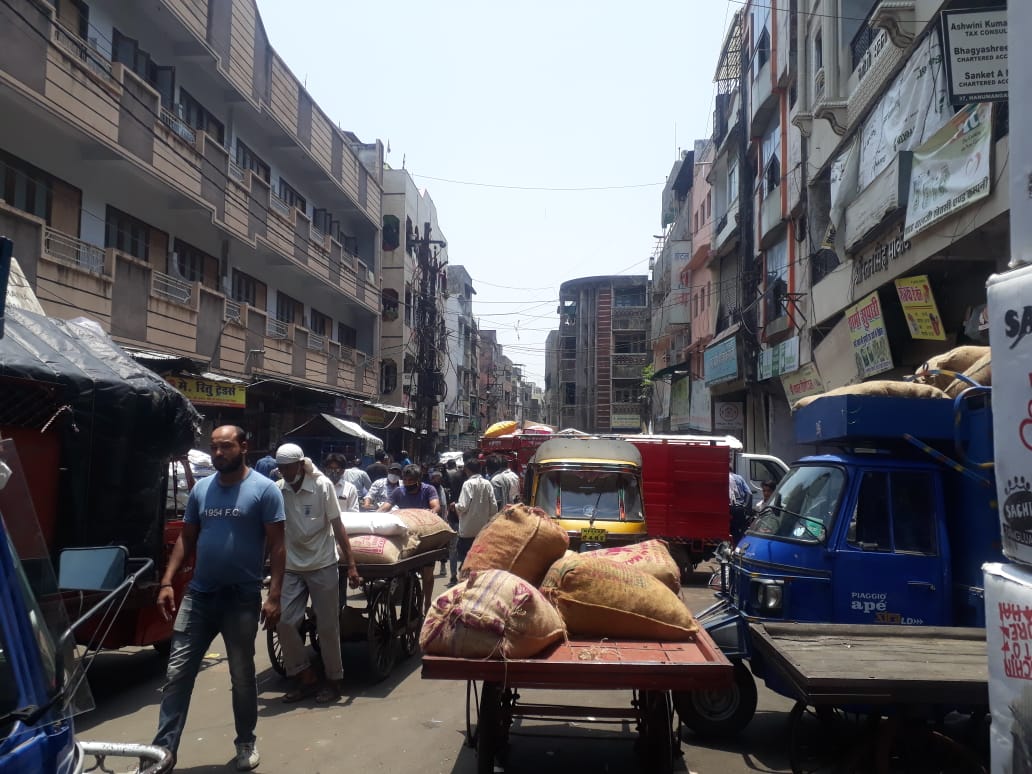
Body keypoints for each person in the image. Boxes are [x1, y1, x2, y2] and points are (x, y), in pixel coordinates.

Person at [150, 425, 286, 772]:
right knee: (177, 673)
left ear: (244, 446)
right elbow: (186, 538)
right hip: (199, 596)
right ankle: (163, 753)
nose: (218, 453)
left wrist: (274, 596)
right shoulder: (203, 490)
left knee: (241, 676)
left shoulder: (265, 490)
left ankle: (245, 742)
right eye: (214, 448)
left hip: (241, 599)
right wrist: (167, 581)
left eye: (226, 447)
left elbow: (278, 546)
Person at [274, 444, 361, 704]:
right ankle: (305, 673)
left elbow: (338, 524)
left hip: (323, 563)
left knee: (327, 626)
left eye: (289, 467)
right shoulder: (279, 489)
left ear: (301, 465)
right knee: (284, 621)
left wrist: (352, 564)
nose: (285, 472)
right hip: (292, 565)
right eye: (281, 468)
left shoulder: (322, 486)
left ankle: (334, 680)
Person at [379, 463, 441, 613]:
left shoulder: (428, 489)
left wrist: (431, 512)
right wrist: (375, 516)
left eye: (411, 481)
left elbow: (436, 506)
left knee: (427, 573)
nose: (408, 484)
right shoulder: (398, 491)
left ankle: (427, 604)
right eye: (405, 480)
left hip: (424, 533)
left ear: (419, 480)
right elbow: (386, 507)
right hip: (406, 534)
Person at [454, 458, 497, 583]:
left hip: (467, 531)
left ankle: (464, 583)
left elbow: (462, 506)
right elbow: (494, 507)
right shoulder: (487, 483)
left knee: (465, 561)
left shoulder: (468, 484)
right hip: (483, 531)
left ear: (467, 470)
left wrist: (454, 506)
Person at [428, 468, 450, 576]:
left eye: (439, 479)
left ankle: (443, 565)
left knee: (443, 545)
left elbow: (446, 506)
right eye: (434, 479)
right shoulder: (428, 490)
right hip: (430, 521)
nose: (437, 480)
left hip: (442, 520)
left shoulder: (444, 491)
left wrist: (446, 519)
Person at [729, 465, 753, 546]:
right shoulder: (739, 478)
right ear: (732, 470)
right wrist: (747, 510)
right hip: (739, 509)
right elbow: (749, 493)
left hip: (726, 510)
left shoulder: (722, 477)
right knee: (739, 534)